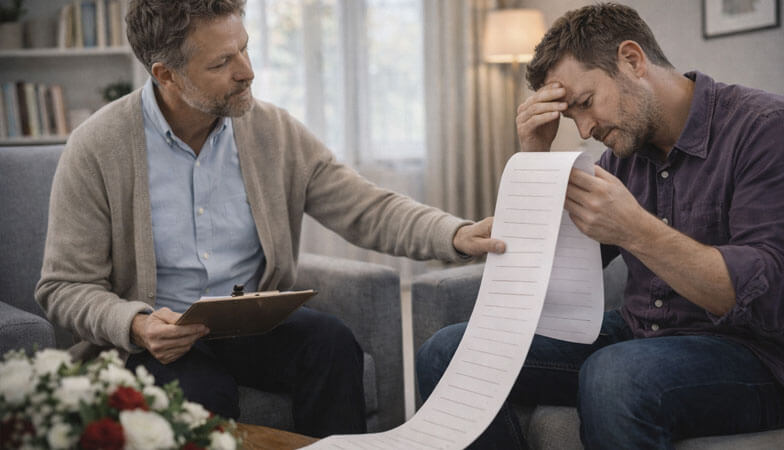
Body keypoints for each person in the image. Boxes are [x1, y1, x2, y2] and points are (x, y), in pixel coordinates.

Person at [34, 0, 505, 439]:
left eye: (244, 49)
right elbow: (63, 287)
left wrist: (456, 234)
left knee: (332, 344)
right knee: (200, 393)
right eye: (222, 63)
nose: (247, 72)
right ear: (166, 75)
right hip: (158, 341)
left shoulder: (272, 130)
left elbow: (366, 207)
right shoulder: (97, 147)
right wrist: (135, 324)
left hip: (252, 325)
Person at [416, 3, 784, 449]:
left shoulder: (767, 128)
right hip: (641, 334)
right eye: (569, 116)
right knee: (450, 353)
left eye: (584, 103)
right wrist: (534, 162)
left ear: (632, 60)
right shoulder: (622, 156)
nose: (582, 128)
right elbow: (551, 276)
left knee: (616, 374)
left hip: (757, 356)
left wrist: (636, 230)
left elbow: (777, 295)